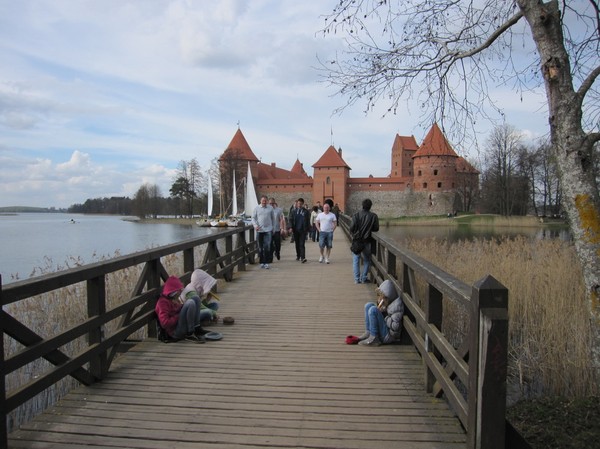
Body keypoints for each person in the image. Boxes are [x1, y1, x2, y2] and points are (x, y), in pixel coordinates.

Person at [155, 275, 206, 343]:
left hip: (179, 325)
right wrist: (179, 315)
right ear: (174, 291)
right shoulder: (163, 303)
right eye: (179, 290)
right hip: (174, 332)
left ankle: (197, 328)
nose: (181, 291)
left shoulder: (173, 299)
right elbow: (165, 323)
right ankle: (190, 333)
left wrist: (181, 307)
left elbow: (177, 310)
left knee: (196, 298)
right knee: (190, 302)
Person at [358, 280, 404, 346]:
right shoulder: (390, 303)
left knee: (373, 310)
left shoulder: (396, 307)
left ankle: (374, 338)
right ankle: (369, 332)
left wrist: (384, 316)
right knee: (368, 305)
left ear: (388, 297)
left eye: (382, 297)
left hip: (388, 336)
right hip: (385, 330)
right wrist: (383, 311)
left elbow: (395, 326)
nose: (380, 299)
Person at [350, 198, 380, 284]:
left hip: (357, 241)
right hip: (367, 241)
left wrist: (354, 235)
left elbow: (351, 228)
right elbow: (376, 228)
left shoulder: (356, 215)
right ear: (370, 207)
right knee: (367, 260)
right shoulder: (374, 216)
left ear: (362, 206)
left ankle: (356, 279)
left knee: (356, 260)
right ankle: (364, 278)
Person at [252, 195, 275, 269]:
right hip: (260, 230)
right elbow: (253, 218)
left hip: (268, 230)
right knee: (260, 248)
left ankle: (267, 262)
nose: (264, 202)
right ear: (260, 201)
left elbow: (273, 219)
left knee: (267, 247)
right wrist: (255, 225)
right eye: (263, 200)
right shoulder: (256, 208)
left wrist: (273, 228)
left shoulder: (270, 208)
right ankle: (262, 262)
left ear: (267, 201)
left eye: (265, 200)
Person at [288, 197, 310, 263]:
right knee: (297, 244)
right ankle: (298, 255)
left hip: (302, 230)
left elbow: (308, 221)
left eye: (300, 203)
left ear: (303, 204)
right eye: (298, 203)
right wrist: (291, 227)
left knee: (302, 244)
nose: (299, 205)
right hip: (295, 230)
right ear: (297, 204)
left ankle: (303, 257)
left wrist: (307, 229)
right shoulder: (293, 211)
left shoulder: (306, 212)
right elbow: (290, 219)